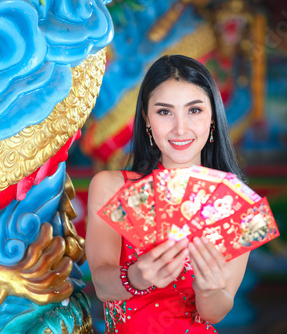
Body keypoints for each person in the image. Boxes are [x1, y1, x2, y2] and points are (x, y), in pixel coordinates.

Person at [86, 54, 250, 333]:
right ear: (146, 120)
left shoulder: (233, 204)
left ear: (212, 118)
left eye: (194, 110)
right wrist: (136, 276)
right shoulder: (111, 187)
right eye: (164, 112)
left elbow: (216, 313)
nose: (180, 127)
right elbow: (102, 286)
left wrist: (209, 290)